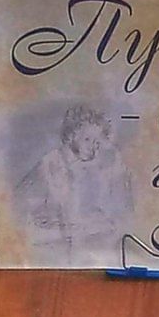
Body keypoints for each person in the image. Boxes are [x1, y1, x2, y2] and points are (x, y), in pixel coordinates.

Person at [17, 105, 134, 255]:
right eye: (87, 139)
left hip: (71, 233)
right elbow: (63, 212)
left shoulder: (87, 166)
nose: (92, 147)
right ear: (71, 136)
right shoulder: (53, 163)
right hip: (42, 236)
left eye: (96, 142)